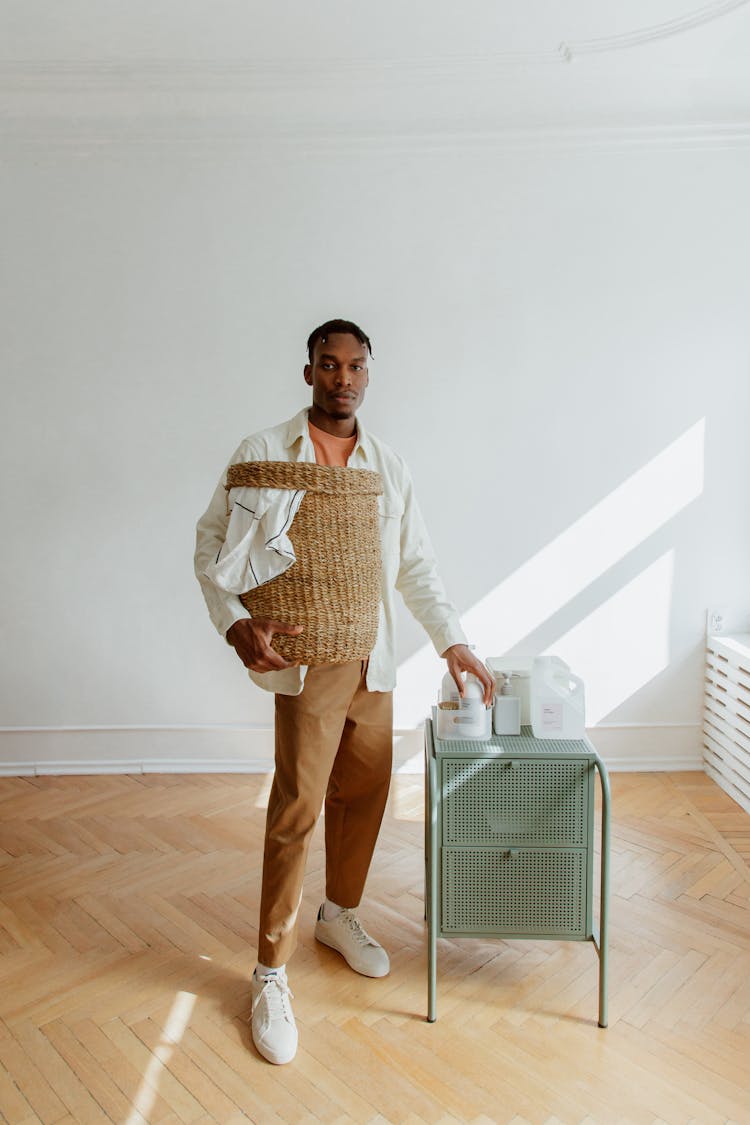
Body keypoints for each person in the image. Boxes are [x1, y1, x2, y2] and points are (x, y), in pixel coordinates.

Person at [194, 318, 494, 1065]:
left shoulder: (387, 466)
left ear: (369, 375)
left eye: (355, 366)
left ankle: (340, 913)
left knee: (365, 792)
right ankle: (269, 969)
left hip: (374, 655)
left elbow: (415, 564)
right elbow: (210, 545)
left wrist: (452, 639)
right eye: (328, 365)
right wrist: (234, 623)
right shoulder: (264, 453)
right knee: (297, 806)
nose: (342, 378)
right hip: (305, 658)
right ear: (308, 374)